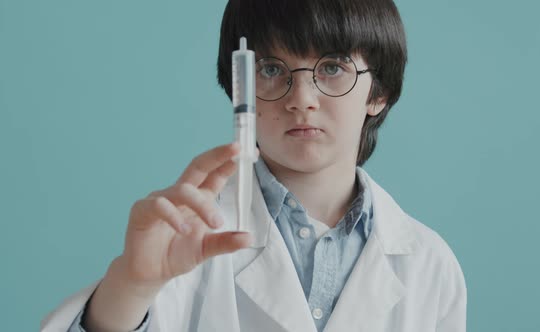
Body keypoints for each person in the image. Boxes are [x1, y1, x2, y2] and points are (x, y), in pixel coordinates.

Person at [42, 0, 467, 331]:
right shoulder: (188, 239)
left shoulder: (429, 264)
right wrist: (132, 285)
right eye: (270, 69)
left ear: (379, 93)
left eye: (333, 67)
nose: (301, 97)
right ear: (239, 87)